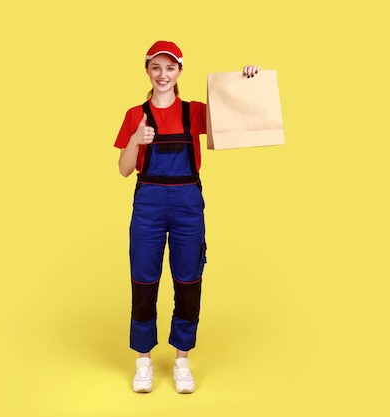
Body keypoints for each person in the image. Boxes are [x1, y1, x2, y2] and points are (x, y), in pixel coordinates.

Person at [114, 40, 260, 394]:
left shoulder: (194, 111)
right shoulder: (136, 114)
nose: (163, 74)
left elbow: (238, 112)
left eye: (170, 68)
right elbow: (123, 169)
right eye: (156, 68)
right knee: (144, 280)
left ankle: (182, 359)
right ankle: (144, 361)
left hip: (187, 204)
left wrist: (246, 80)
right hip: (148, 202)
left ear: (180, 71)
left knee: (188, 279)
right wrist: (136, 139)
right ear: (147, 70)